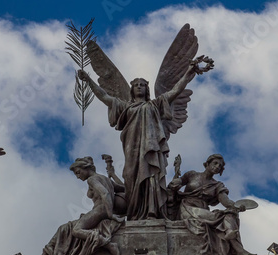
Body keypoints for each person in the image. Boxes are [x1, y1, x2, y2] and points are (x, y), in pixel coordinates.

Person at [78, 66, 196, 220]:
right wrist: (88, 81)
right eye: (136, 85)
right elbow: (104, 97)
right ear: (131, 89)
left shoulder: (155, 104)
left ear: (146, 89)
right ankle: (135, 214)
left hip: (151, 149)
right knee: (130, 177)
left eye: (142, 85)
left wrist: (189, 72)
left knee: (152, 176)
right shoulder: (124, 106)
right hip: (131, 150)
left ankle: (152, 212)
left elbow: (175, 91)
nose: (139, 87)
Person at [30, 157, 122, 255]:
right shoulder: (105, 179)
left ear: (87, 168)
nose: (78, 177)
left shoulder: (92, 179)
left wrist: (110, 214)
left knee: (76, 230)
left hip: (100, 211)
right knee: (64, 228)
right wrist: (113, 175)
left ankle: (108, 244)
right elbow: (124, 188)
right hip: (101, 210)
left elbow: (105, 193)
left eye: (78, 172)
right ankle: (46, 254)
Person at [168, 154, 252, 255]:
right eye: (215, 163)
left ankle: (236, 244)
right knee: (218, 216)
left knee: (230, 214)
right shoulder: (192, 175)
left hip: (203, 210)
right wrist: (175, 182)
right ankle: (235, 244)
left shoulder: (217, 185)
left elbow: (226, 202)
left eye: (220, 166)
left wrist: (236, 206)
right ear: (207, 164)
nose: (217, 167)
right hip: (188, 208)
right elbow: (177, 183)